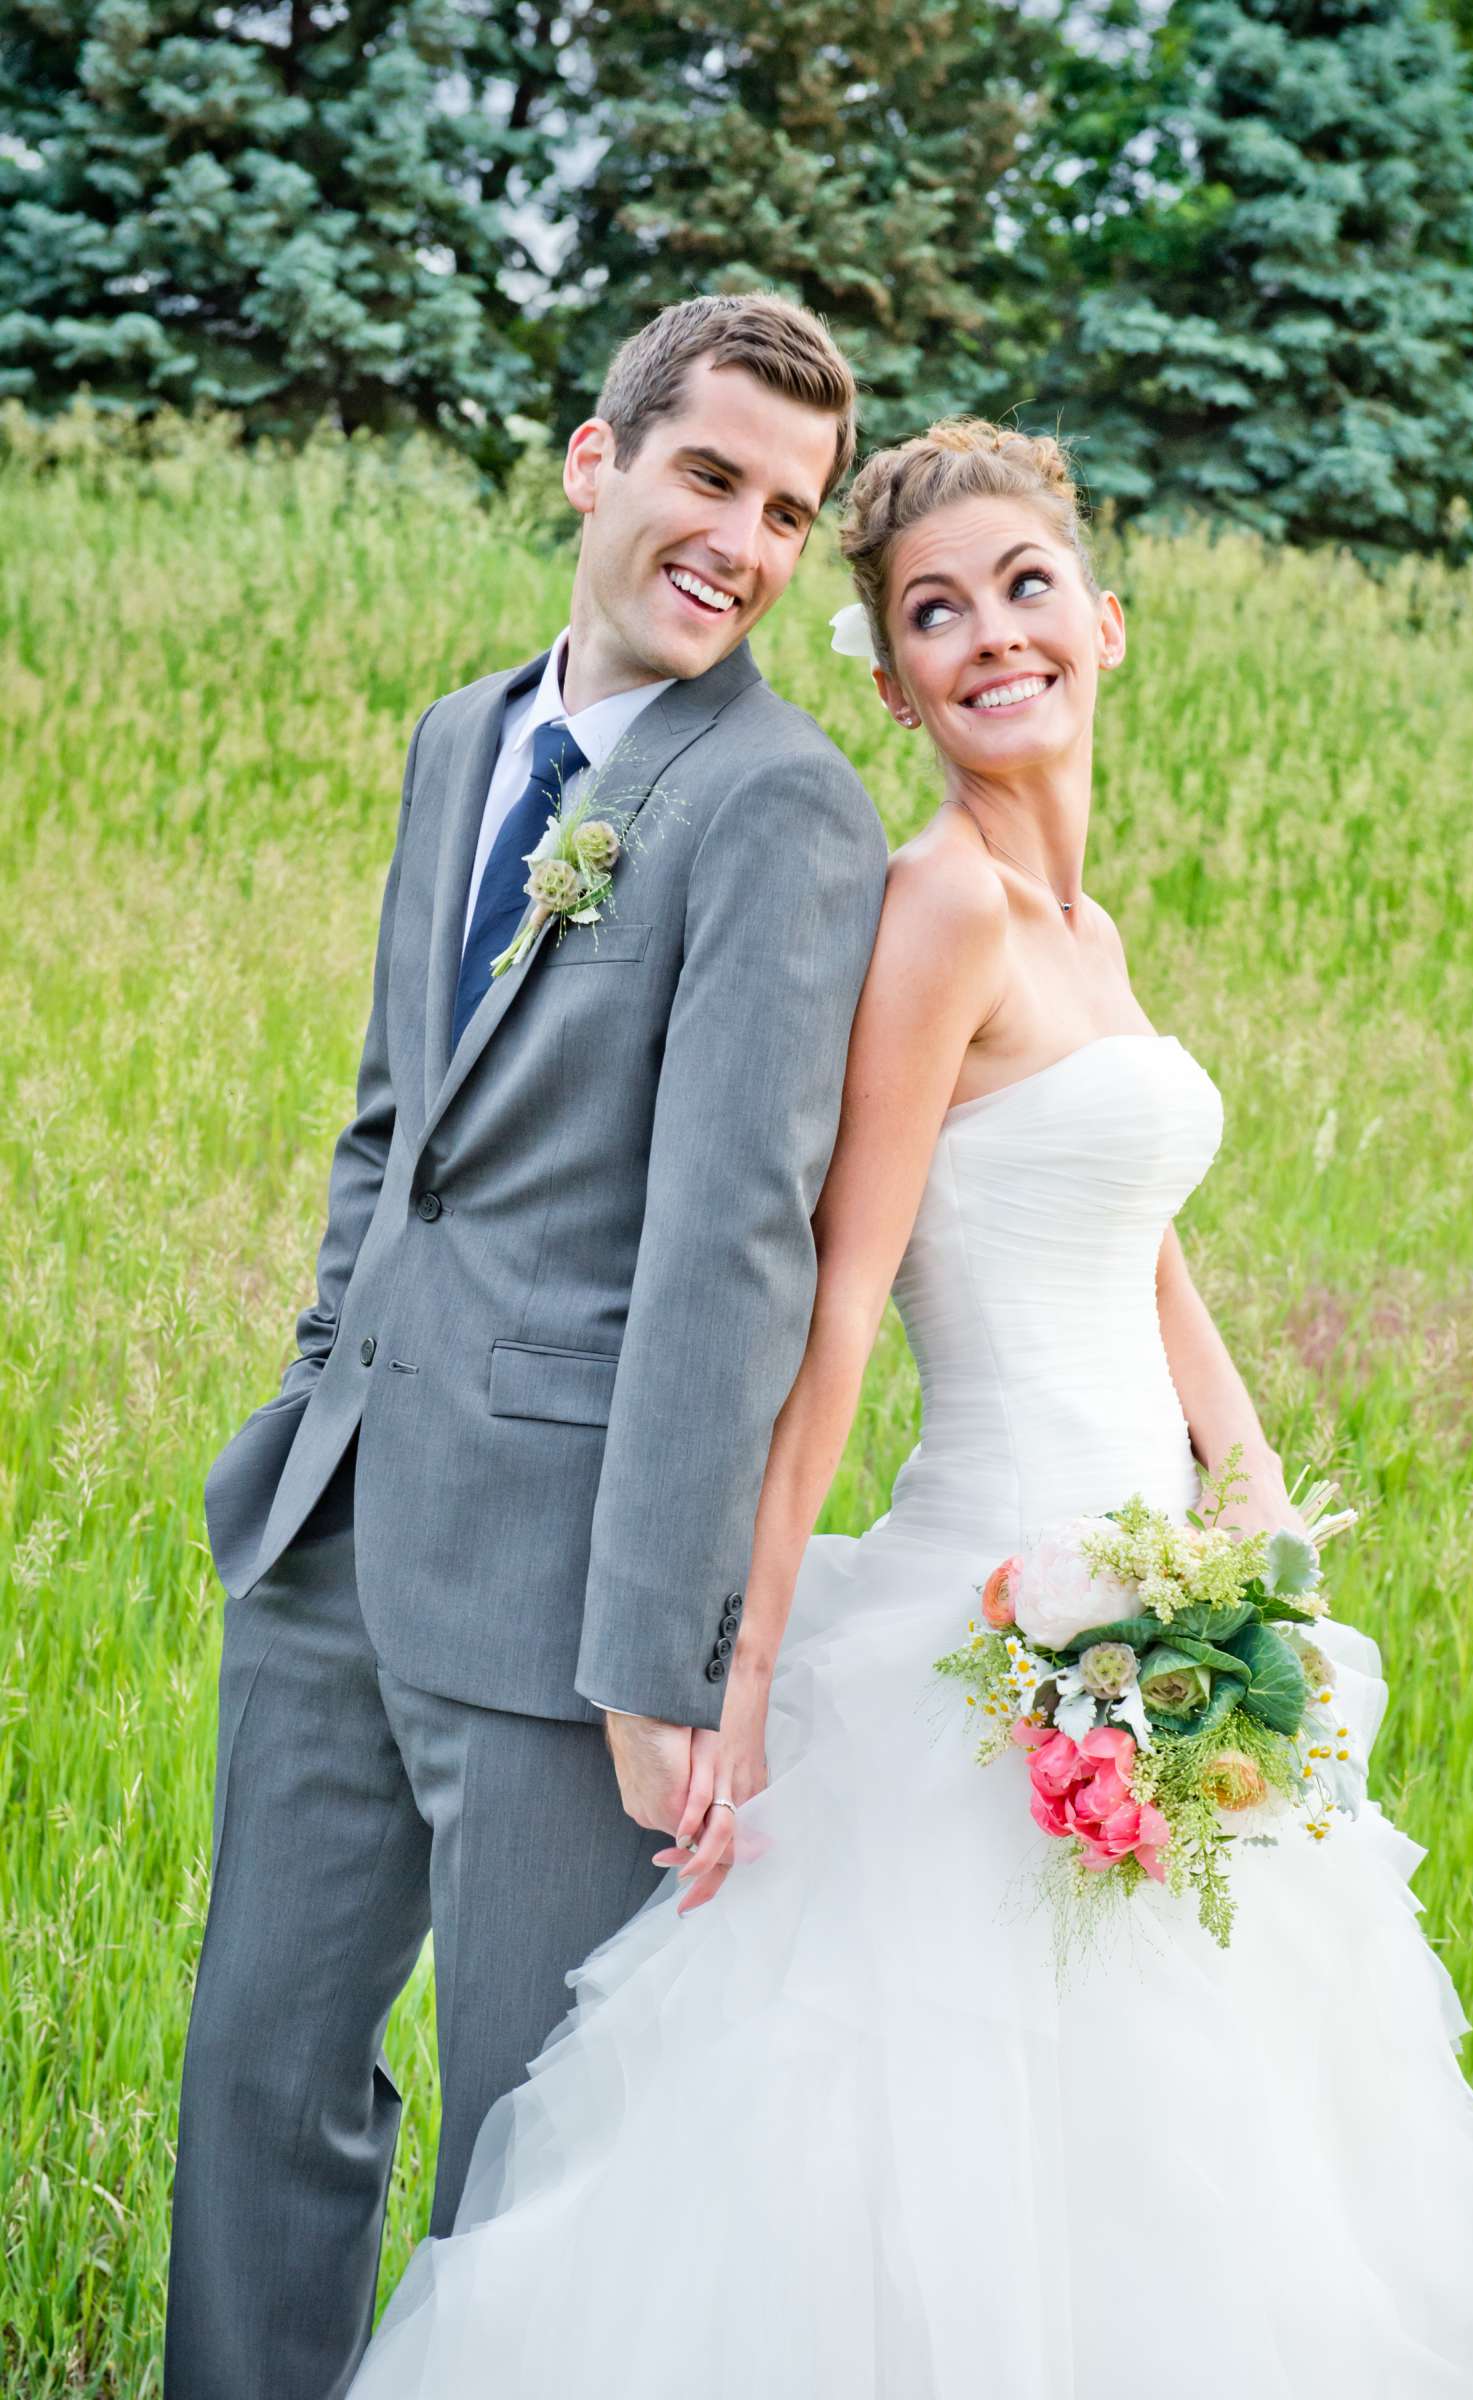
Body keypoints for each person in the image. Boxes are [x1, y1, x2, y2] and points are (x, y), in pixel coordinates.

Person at [346, 420, 1473, 2398]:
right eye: (931, 611)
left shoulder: (1091, 937)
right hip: (996, 1614)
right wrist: (732, 1671)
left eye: (1022, 588)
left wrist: (1260, 1545)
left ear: (1106, 623)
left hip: (1164, 1607)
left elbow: (1149, 1259)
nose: (990, 634)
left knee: (1219, 2161)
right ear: (888, 678)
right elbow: (831, 1302)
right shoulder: (942, 912)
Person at [165, 292, 889, 2400]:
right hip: (330, 1527)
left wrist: (654, 1658)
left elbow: (727, 1251)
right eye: (710, 477)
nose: (744, 539)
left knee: (529, 2147)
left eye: (786, 511)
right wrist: (316, 1382)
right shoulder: (463, 738)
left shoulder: (780, 809)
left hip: (562, 1600)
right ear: (598, 460)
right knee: (257, 2077)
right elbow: (394, 1117)